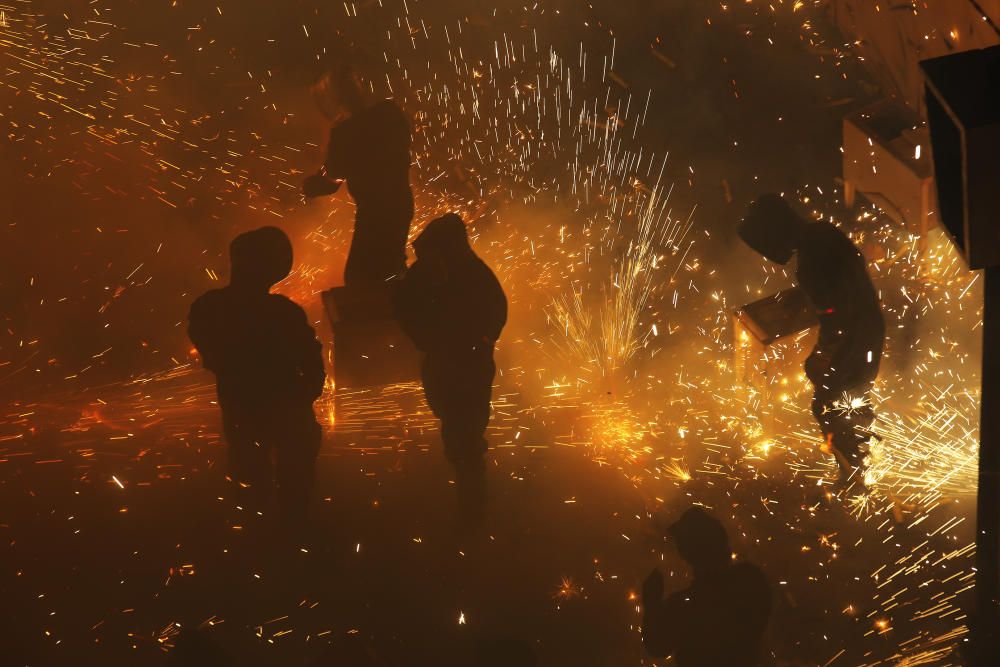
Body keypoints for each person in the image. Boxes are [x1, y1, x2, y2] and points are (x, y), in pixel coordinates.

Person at [737, 193, 885, 487]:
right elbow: (840, 285)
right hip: (869, 326)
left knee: (829, 405)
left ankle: (855, 476)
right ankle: (863, 459)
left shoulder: (811, 259)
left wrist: (822, 355)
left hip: (855, 336)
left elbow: (836, 316)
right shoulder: (821, 233)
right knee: (850, 398)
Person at [188, 226, 325, 522]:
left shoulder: (209, 307)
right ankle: (291, 533)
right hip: (287, 408)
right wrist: (307, 392)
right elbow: (311, 359)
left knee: (250, 476)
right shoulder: (283, 312)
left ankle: (256, 535)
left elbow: (212, 356)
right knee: (293, 481)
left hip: (242, 406)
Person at [393, 214, 507, 518]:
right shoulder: (431, 273)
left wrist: (473, 343)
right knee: (456, 427)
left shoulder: (474, 277)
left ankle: (473, 505)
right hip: (447, 362)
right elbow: (405, 302)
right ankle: (470, 495)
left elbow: (494, 315)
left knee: (465, 434)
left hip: (467, 363)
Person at [303, 60, 414, 287]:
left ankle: (390, 317)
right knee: (390, 266)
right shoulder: (389, 112)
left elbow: (332, 180)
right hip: (402, 203)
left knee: (361, 279)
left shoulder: (344, 133)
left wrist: (311, 185)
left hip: (374, 212)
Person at [642, 507, 771, 667]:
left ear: (686, 553)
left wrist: (652, 602)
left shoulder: (685, 606)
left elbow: (658, 646)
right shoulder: (750, 581)